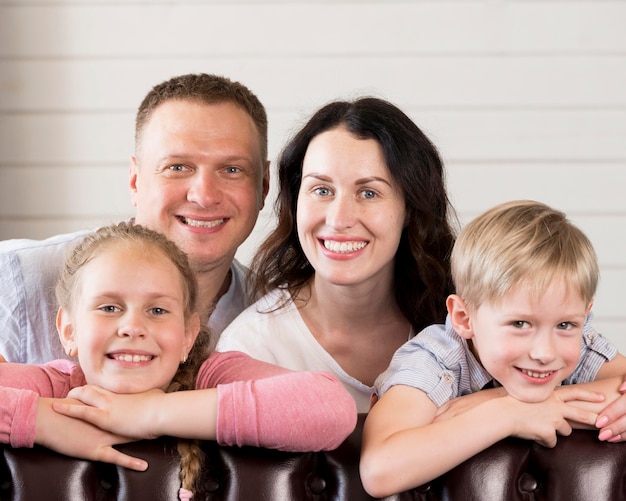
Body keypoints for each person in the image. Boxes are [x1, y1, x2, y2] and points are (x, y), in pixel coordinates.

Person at [0, 222, 356, 500]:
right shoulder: (57, 388)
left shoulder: (210, 375)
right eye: (109, 307)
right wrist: (42, 420)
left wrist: (150, 413)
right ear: (69, 330)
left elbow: (331, 408)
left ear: (188, 335)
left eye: (157, 310)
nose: (133, 327)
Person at [359, 200, 626, 498]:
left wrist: (506, 401)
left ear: (585, 315)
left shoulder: (575, 343)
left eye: (566, 325)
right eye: (520, 324)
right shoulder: (434, 359)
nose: (545, 353)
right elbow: (380, 470)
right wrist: (507, 415)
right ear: (464, 318)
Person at [0, 72, 270, 363]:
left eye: (232, 170)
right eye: (177, 167)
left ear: (263, 187)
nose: (204, 196)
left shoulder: (275, 316)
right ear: (135, 181)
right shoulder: (17, 279)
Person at [215, 97, 457, 412]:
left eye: (369, 193)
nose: (339, 219)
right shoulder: (252, 347)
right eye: (322, 190)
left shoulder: (461, 325)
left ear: (410, 209)